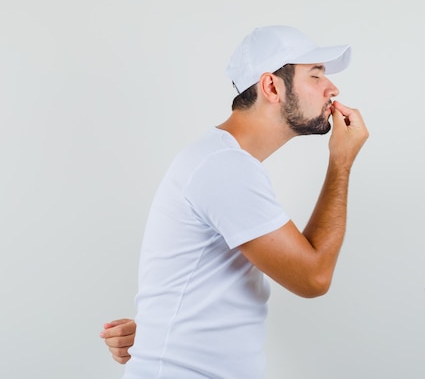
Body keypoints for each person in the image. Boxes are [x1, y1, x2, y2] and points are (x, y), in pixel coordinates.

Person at [99, 25, 368, 378]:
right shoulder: (224, 166)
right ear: (271, 86)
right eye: (316, 75)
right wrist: (342, 162)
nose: (332, 88)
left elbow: (196, 276)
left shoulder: (223, 161)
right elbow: (313, 277)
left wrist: (156, 329)